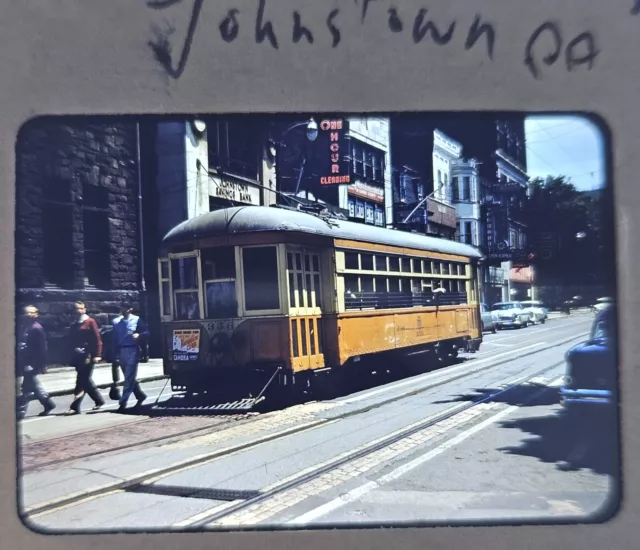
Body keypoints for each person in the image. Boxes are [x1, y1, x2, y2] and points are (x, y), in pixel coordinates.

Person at [66, 301, 105, 414]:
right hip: (78, 355)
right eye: (76, 309)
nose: (78, 311)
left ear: (84, 309)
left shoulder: (90, 322)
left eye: (80, 308)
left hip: (88, 355)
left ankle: (75, 406)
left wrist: (98, 355)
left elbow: (98, 339)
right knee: (86, 380)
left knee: (82, 380)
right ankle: (99, 400)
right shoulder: (75, 324)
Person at [16, 305, 55, 419]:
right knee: (34, 386)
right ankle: (48, 404)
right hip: (26, 362)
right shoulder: (26, 327)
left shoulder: (36, 328)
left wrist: (42, 364)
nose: (28, 315)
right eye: (26, 313)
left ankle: (20, 413)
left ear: (36, 314)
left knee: (26, 389)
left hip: (32, 363)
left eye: (31, 313)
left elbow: (42, 348)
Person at [112, 304, 149, 412]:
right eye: (122, 308)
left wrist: (139, 335)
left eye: (125, 308)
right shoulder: (116, 322)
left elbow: (147, 332)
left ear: (130, 309)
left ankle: (123, 402)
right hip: (121, 350)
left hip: (133, 349)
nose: (123, 310)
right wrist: (114, 355)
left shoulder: (137, 320)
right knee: (130, 377)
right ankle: (140, 395)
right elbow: (113, 339)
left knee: (128, 377)